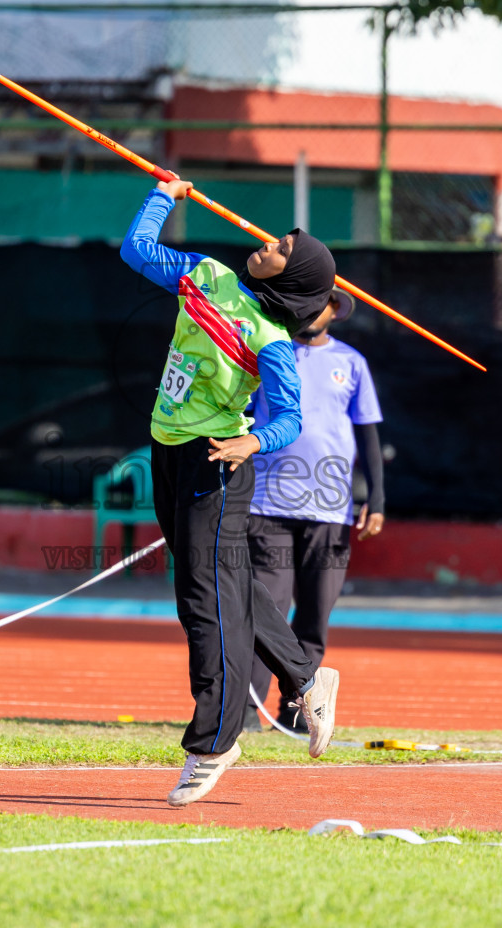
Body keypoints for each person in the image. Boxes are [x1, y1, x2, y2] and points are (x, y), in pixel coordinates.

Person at [121, 177, 339, 807]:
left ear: (289, 276)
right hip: (168, 451)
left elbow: (290, 419)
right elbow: (137, 251)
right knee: (227, 585)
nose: (266, 242)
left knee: (203, 601)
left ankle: (214, 741)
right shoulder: (208, 276)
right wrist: (166, 196)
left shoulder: (272, 343)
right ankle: (304, 677)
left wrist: (255, 442)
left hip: (218, 463)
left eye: (281, 246)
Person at [243, 288, 384, 734]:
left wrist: (376, 500)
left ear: (335, 312)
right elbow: (240, 416)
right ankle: (246, 715)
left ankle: (298, 711)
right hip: (267, 504)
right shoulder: (269, 351)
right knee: (267, 610)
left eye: (324, 303)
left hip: (331, 510)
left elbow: (369, 437)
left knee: (315, 614)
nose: (314, 310)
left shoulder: (353, 363)